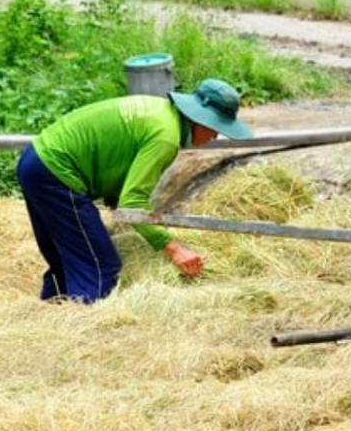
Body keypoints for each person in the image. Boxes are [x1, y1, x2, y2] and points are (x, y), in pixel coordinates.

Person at [16, 78, 253, 303]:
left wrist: (115, 199)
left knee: (67, 259)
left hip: (35, 160)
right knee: (100, 266)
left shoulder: (160, 111)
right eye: (214, 127)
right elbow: (133, 203)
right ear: (199, 120)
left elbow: (119, 154)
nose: (214, 136)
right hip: (56, 172)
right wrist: (174, 248)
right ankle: (84, 326)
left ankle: (51, 314)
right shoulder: (165, 137)